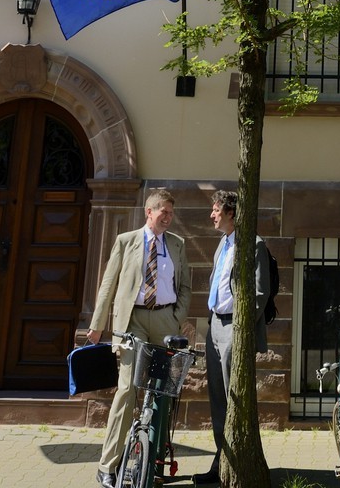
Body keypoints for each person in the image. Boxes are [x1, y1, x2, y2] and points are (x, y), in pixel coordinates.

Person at [87, 188, 191, 488]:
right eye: (164, 213)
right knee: (127, 389)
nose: (168, 218)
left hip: (164, 320)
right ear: (150, 212)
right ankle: (107, 465)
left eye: (171, 214)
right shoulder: (126, 241)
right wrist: (97, 325)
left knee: (163, 391)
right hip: (132, 320)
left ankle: (153, 459)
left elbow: (184, 286)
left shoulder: (177, 244)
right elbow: (108, 285)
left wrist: (176, 318)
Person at [201, 189, 272, 486]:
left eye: (216, 210)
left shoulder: (253, 245)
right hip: (214, 325)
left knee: (235, 399)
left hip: (234, 328)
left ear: (231, 213)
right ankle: (221, 461)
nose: (212, 215)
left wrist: (241, 329)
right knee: (218, 398)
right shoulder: (222, 244)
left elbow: (259, 293)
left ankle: (238, 464)